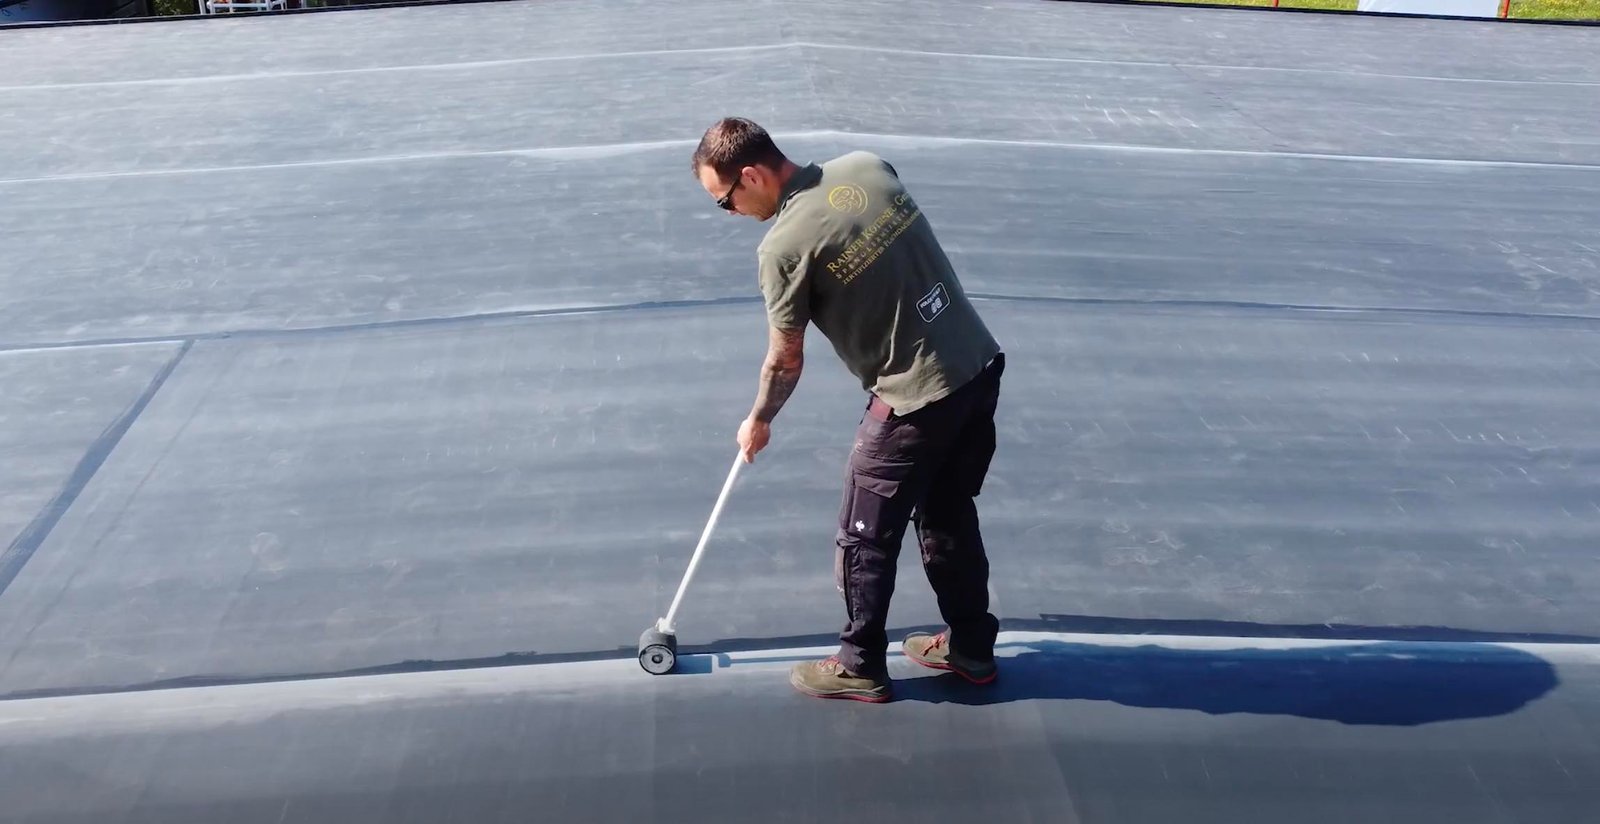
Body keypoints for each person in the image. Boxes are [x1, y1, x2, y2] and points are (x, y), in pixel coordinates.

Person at [691, 117, 1005, 703]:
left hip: (914, 398)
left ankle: (859, 664)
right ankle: (972, 648)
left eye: (725, 201)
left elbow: (786, 360)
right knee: (947, 512)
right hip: (977, 368)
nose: (729, 214)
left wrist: (759, 419)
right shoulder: (867, 166)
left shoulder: (782, 248)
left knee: (865, 537)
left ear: (752, 175)